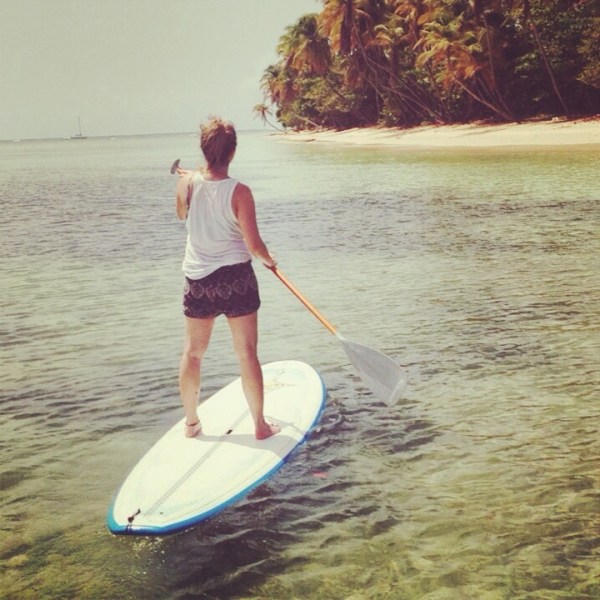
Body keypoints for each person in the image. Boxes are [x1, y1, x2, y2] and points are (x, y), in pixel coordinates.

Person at [175, 116, 280, 440]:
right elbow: (254, 244)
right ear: (232, 152)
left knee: (193, 353)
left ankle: (191, 424)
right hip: (236, 278)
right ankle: (260, 426)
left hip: (199, 280)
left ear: (203, 150)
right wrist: (270, 261)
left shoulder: (186, 183)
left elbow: (182, 214)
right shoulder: (241, 192)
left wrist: (191, 180)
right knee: (246, 352)